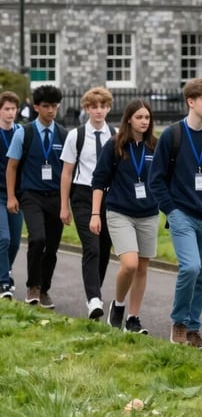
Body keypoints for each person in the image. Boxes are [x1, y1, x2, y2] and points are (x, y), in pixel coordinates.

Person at [148, 78, 202, 350]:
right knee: (190, 267)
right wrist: (171, 211)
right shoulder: (172, 135)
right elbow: (156, 179)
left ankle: (193, 328)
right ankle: (179, 322)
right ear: (191, 102)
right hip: (182, 214)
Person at [90, 99, 160, 334]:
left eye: (147, 118)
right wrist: (94, 214)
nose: (144, 122)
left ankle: (133, 318)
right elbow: (99, 181)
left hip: (149, 214)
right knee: (129, 264)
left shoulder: (155, 146)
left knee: (142, 267)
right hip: (120, 212)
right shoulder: (115, 146)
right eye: (139, 117)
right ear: (129, 118)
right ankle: (118, 304)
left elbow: (164, 180)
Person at [5, 84, 66, 308]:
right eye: (46, 106)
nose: (51, 110)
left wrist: (66, 203)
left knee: (51, 247)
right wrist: (12, 196)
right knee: (37, 238)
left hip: (56, 197)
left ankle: (44, 289)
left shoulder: (63, 134)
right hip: (31, 195)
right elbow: (12, 166)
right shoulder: (24, 132)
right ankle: (33, 286)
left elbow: (68, 170)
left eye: (54, 106)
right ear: (37, 107)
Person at [59, 86, 115, 320]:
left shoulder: (116, 134)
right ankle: (93, 298)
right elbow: (67, 172)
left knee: (103, 249)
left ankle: (96, 294)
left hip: (109, 197)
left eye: (103, 106)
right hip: (83, 195)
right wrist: (64, 205)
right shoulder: (76, 135)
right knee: (91, 247)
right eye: (94, 107)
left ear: (109, 108)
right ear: (87, 109)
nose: (99, 111)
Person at [0, 91, 23, 298]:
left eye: (13, 109)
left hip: (16, 193)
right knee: (4, 238)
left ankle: (5, 270)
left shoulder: (20, 132)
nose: (10, 113)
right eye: (6, 109)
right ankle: (3, 282)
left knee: (16, 241)